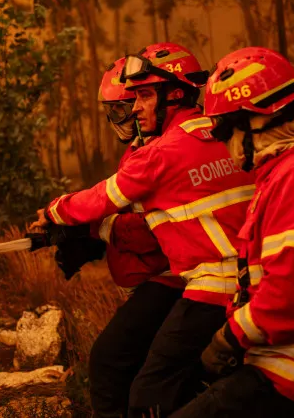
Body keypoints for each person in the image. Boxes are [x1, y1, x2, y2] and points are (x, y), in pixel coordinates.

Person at [35, 43, 254, 417]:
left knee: (148, 391)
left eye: (144, 96)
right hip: (249, 279)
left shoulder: (162, 151)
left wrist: (54, 213)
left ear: (176, 94)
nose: (134, 108)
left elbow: (100, 199)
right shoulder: (221, 133)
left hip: (210, 282)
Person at [172, 47, 294, 417]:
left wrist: (227, 339)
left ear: (253, 123)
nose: (223, 145)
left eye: (224, 129)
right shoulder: (283, 175)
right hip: (285, 360)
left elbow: (286, 296)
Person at [87, 57, 185, 418]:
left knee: (109, 361)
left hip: (174, 278)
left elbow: (156, 233)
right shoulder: (138, 151)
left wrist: (103, 227)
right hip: (159, 278)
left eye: (123, 109)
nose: (122, 119)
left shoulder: (165, 150)